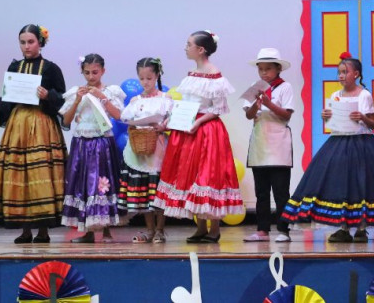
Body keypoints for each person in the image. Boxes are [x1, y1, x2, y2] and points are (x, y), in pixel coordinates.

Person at [282, 53, 374, 243]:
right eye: (339, 72)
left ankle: (361, 228)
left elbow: (373, 124)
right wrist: (326, 117)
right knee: (341, 185)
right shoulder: (335, 96)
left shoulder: (364, 95)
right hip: (339, 143)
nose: (341, 76)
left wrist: (363, 117)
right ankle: (343, 228)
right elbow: (332, 124)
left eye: (345, 72)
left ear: (356, 74)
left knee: (362, 185)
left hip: (361, 144)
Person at [152, 30, 244, 243]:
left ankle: (214, 228)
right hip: (188, 128)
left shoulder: (215, 75)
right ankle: (201, 227)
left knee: (208, 175)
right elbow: (186, 104)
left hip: (207, 130)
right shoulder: (192, 74)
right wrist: (169, 121)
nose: (185, 48)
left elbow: (218, 108)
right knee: (192, 175)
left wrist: (198, 122)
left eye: (189, 44)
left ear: (200, 49)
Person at [0, 24, 66, 243]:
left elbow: (62, 99)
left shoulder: (50, 68)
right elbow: (8, 97)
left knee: (40, 173)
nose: (26, 46)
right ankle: (25, 230)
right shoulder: (15, 67)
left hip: (41, 123)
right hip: (18, 123)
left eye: (30, 42)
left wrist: (47, 96)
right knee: (19, 173)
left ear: (40, 42)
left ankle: (43, 230)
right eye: (22, 42)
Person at [60, 53, 125, 243]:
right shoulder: (76, 92)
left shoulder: (110, 91)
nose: (91, 76)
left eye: (95, 72)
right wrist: (77, 100)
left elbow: (118, 115)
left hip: (102, 143)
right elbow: (66, 121)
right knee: (83, 185)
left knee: (103, 184)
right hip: (82, 143)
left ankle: (106, 230)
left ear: (103, 71)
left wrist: (102, 97)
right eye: (87, 72)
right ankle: (87, 231)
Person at [242, 48, 294, 243]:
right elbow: (248, 115)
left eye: (268, 69)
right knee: (261, 191)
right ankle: (262, 230)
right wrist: (255, 104)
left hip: (279, 143)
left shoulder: (285, 87)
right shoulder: (254, 87)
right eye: (261, 69)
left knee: (281, 191)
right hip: (260, 142)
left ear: (278, 68)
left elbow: (286, 114)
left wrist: (268, 102)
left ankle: (283, 230)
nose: (264, 73)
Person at [118, 57, 172, 243]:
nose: (145, 82)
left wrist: (163, 126)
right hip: (139, 149)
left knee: (157, 191)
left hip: (158, 149)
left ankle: (160, 230)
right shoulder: (136, 100)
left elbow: (172, 120)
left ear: (157, 76)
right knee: (144, 191)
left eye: (149, 78)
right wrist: (133, 126)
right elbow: (126, 118)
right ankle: (149, 229)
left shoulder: (165, 99)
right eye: (141, 78)